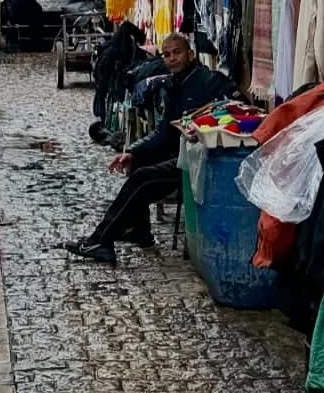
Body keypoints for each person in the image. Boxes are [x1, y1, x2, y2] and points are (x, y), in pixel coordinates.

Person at [67, 31, 224, 266]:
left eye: (177, 53)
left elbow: (232, 104)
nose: (172, 59)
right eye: (167, 54)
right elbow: (162, 131)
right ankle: (140, 231)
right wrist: (132, 151)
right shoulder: (173, 85)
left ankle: (101, 240)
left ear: (190, 54)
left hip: (199, 159)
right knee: (138, 162)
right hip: (178, 153)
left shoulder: (208, 81)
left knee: (142, 177)